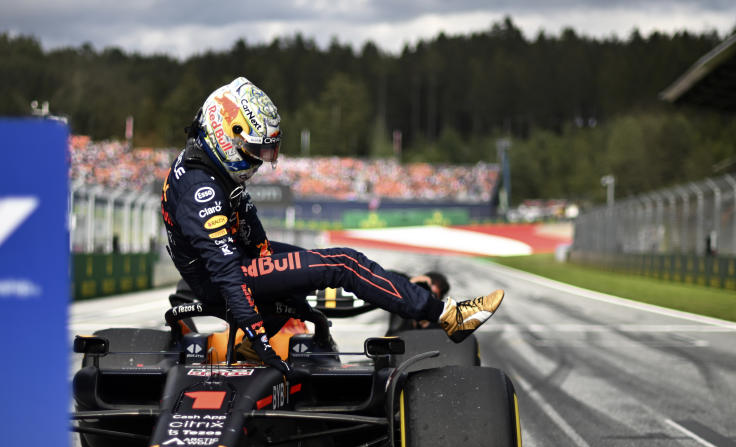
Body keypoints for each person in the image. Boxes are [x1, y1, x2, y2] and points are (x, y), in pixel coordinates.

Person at [160, 77, 503, 376]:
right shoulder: (200, 189)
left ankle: (423, 301)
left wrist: (285, 273)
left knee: (322, 265)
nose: (261, 159)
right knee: (343, 263)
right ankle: (449, 316)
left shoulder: (203, 163)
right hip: (225, 276)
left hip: (229, 266)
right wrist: (258, 338)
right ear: (225, 133)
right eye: (255, 149)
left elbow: (252, 239)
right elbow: (228, 273)